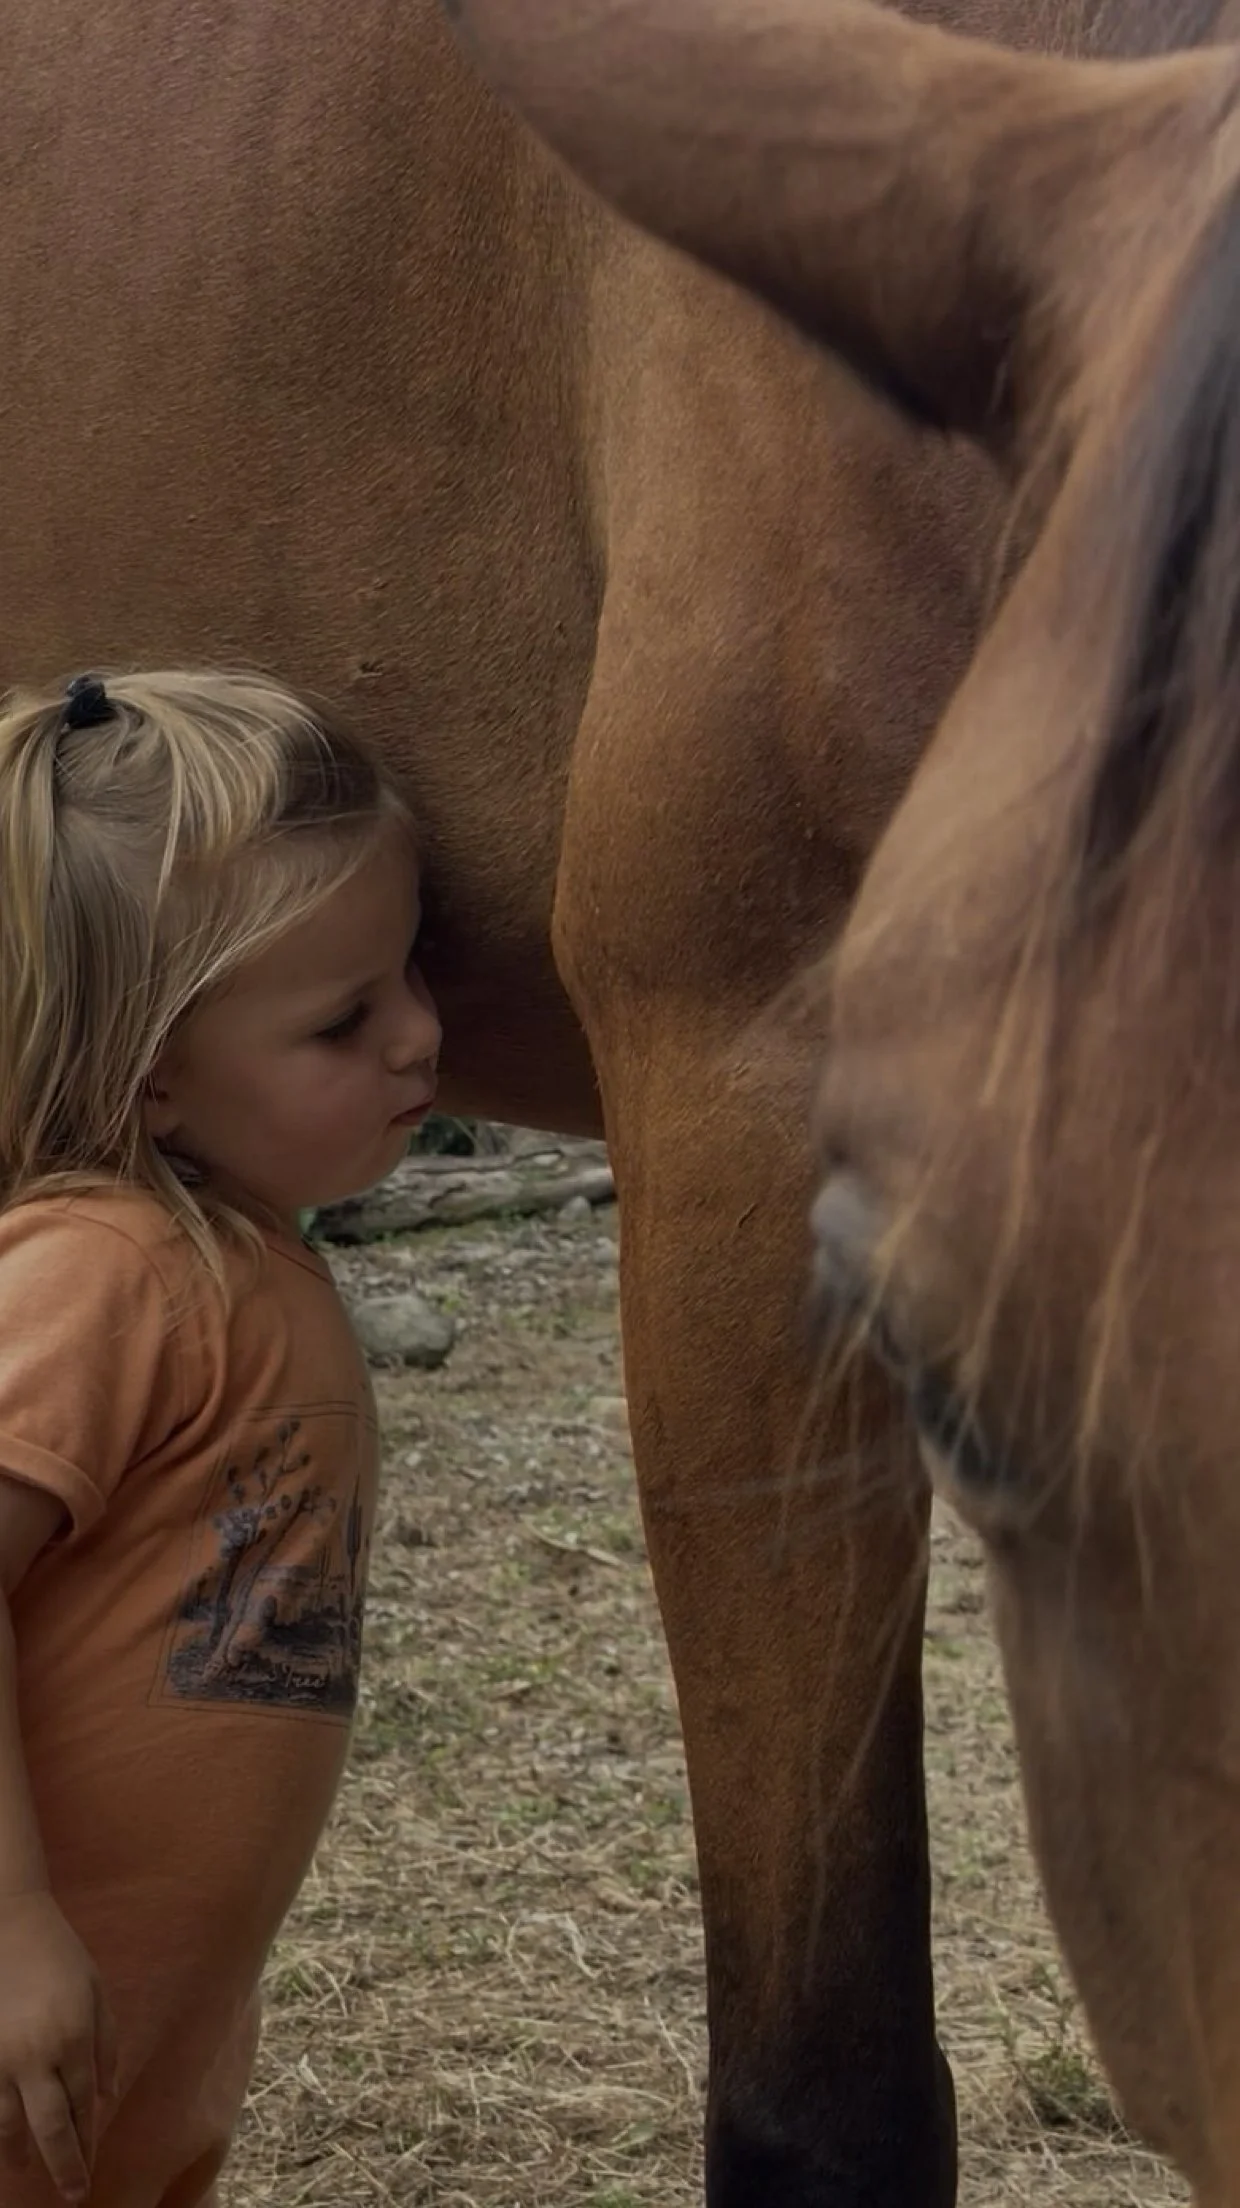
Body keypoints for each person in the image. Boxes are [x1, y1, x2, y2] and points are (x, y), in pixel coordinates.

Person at [0, 670, 441, 2206]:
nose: (422, 1041)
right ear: (155, 1081)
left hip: (148, 2039)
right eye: (346, 1019)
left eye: (408, 978)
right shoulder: (102, 1274)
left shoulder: (243, 1264)